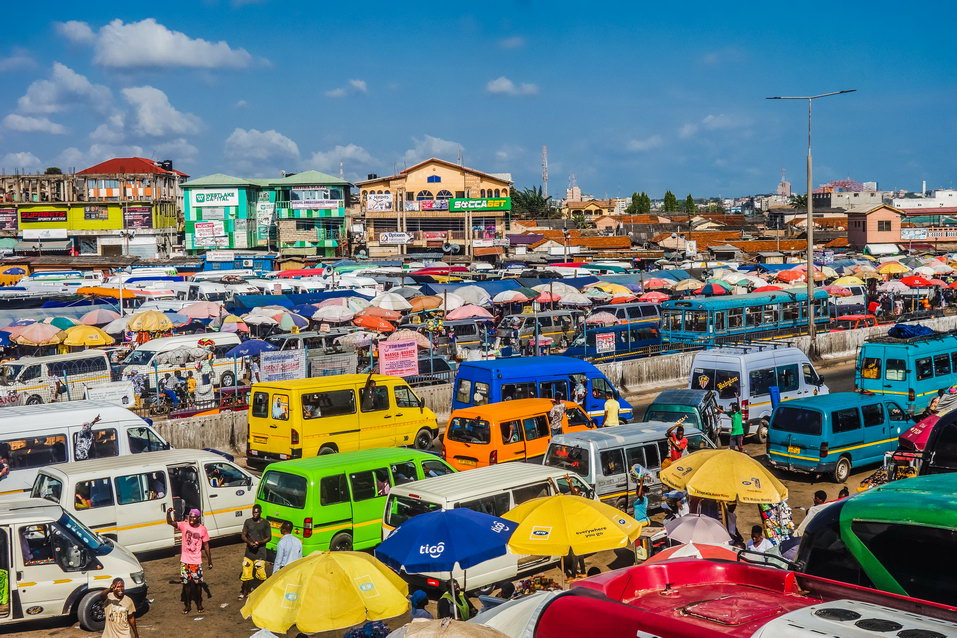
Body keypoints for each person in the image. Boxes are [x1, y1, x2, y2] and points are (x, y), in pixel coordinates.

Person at [166, 507, 212, 615]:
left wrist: (210, 560)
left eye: (194, 517)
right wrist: (168, 513)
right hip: (185, 561)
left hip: (196, 562)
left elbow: (206, 545)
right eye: (190, 516)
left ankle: (199, 604)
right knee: (186, 584)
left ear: (198, 518)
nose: (191, 518)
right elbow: (170, 522)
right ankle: (187, 605)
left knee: (198, 584)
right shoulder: (184, 525)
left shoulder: (202, 529)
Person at [239, 504, 271, 599]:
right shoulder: (248, 522)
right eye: (253, 512)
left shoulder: (265, 523)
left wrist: (259, 542)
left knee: (261, 574)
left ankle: (263, 592)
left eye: (256, 512)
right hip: (249, 553)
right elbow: (243, 535)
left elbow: (268, 537)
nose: (254, 514)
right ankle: (244, 592)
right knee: (246, 572)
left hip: (260, 553)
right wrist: (249, 542)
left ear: (260, 512)